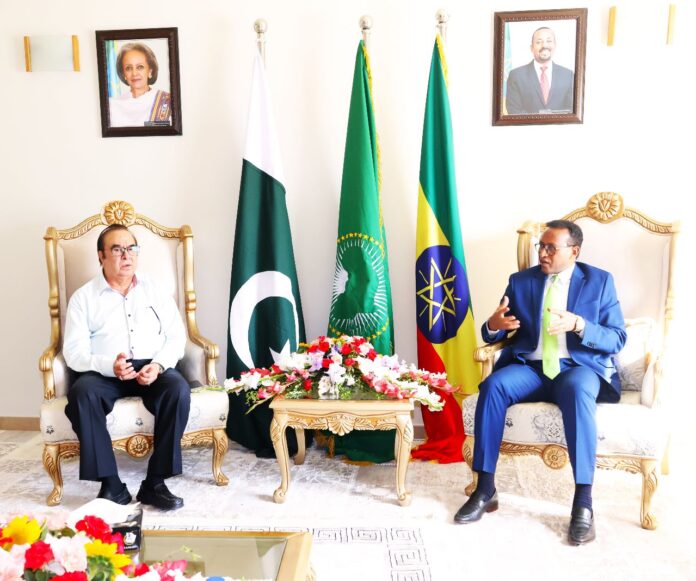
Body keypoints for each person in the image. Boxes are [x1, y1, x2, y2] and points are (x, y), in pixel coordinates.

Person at [453, 220, 626, 545]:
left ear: (574, 251)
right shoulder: (521, 281)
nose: (543, 253)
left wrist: (579, 325)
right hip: (531, 368)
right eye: (540, 246)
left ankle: (583, 502)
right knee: (493, 386)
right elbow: (497, 328)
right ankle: (485, 489)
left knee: (578, 391)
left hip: (577, 368)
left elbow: (617, 338)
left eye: (551, 248)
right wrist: (493, 325)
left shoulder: (600, 281)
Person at [63, 224, 190, 510]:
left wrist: (158, 365)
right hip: (104, 369)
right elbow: (74, 352)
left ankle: (155, 483)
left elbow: (176, 337)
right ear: (101, 256)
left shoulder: (154, 290)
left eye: (131, 248)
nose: (126, 255)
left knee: (177, 389)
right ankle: (111, 486)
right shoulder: (83, 298)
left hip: (151, 366)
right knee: (82, 394)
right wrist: (110, 365)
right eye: (118, 249)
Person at [505, 27, 574, 115]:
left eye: (549, 41)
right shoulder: (516, 76)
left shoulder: (568, 75)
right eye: (539, 42)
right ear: (531, 48)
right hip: (526, 124)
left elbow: (571, 110)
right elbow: (514, 110)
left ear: (555, 46)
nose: (544, 45)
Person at [109, 42, 172, 128]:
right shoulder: (112, 105)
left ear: (150, 71)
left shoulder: (167, 101)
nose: (134, 73)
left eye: (140, 67)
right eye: (128, 68)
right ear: (124, 74)